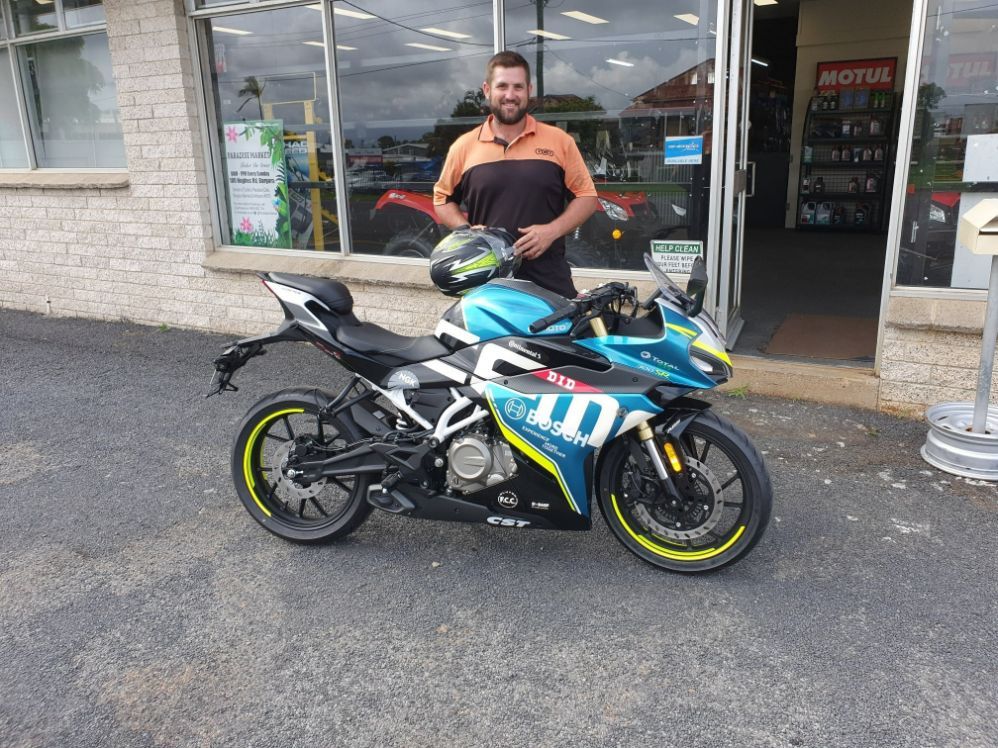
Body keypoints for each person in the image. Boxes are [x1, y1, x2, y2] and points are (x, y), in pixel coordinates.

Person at [433, 51, 598, 298]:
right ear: (487, 89)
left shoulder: (559, 142)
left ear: (528, 90)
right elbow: (442, 200)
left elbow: (587, 197)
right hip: (488, 289)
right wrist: (468, 231)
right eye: (502, 86)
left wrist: (551, 231)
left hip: (550, 286)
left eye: (518, 87)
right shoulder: (464, 147)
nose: (510, 95)